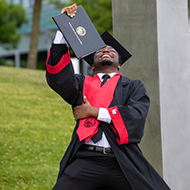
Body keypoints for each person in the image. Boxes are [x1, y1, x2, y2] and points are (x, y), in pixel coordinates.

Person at [46, 4, 170, 190]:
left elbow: (135, 116)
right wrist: (64, 28)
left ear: (119, 64)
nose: (105, 50)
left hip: (122, 159)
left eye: (112, 50)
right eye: (100, 50)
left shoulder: (132, 86)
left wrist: (93, 111)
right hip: (86, 159)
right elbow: (58, 77)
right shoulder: (81, 84)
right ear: (93, 65)